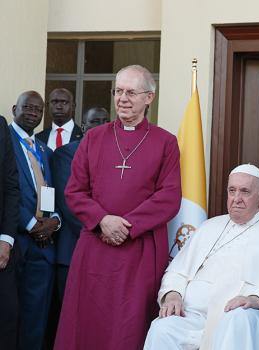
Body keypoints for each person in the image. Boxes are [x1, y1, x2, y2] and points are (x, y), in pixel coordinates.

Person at [54, 65, 181, 350]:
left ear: (149, 97)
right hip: (95, 247)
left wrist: (126, 226)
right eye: (118, 91)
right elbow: (74, 191)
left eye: (131, 92)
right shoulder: (94, 138)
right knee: (86, 323)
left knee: (129, 326)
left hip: (140, 250)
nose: (122, 98)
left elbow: (169, 197)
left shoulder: (166, 143)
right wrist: (102, 220)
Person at [144, 164, 259, 350]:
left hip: (244, 318)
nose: (236, 199)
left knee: (237, 319)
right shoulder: (209, 227)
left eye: (245, 191)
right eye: (232, 191)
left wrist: (258, 299)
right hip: (195, 317)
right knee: (163, 328)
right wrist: (173, 294)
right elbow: (177, 271)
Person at [9, 91, 61, 350]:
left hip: (43, 246)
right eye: (27, 107)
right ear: (13, 109)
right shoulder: (3, 141)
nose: (32, 113)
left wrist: (53, 223)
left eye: (38, 110)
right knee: (9, 317)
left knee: (36, 317)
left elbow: (53, 191)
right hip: (14, 241)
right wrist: (30, 225)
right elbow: (6, 192)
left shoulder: (44, 149)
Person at [52, 106, 110, 299]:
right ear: (83, 127)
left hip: (107, 252)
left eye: (105, 121)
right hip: (73, 249)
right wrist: (102, 232)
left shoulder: (115, 155)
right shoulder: (64, 154)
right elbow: (69, 202)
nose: (101, 125)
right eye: (95, 121)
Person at [0, 115, 20, 350]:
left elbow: (11, 186)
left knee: (7, 317)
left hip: (1, 249)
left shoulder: (0, 126)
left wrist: (6, 239)